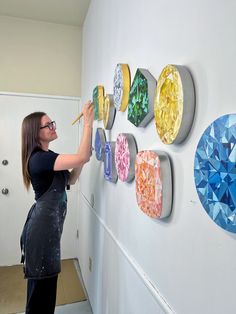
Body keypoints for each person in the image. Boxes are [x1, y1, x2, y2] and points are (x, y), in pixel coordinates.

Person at [20, 101, 94, 314]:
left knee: (46, 294)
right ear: (36, 133)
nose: (53, 126)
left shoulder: (49, 157)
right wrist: (87, 123)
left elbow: (70, 179)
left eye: (52, 122)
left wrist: (83, 159)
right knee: (39, 299)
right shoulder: (40, 159)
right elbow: (81, 156)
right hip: (41, 233)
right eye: (47, 125)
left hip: (49, 232)